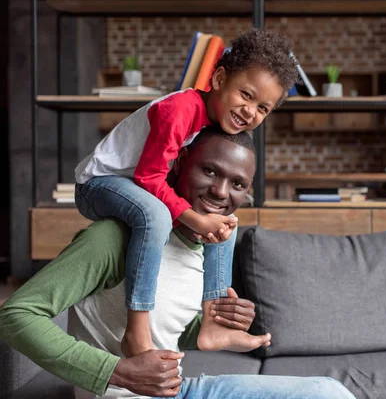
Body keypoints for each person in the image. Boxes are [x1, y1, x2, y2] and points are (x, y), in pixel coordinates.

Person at [0, 128, 356, 399]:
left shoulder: (206, 246)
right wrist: (118, 372)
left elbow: (162, 329)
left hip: (179, 392)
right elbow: (16, 315)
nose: (221, 192)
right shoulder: (112, 238)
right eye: (211, 171)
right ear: (182, 162)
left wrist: (210, 328)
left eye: (237, 184)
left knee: (330, 392)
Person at [73, 28, 299, 358]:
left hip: (135, 186)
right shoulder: (179, 111)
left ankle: (213, 321)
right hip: (98, 184)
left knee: (225, 220)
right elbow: (149, 178)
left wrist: (211, 223)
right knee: (154, 215)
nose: (251, 112)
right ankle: (137, 330)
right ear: (220, 79)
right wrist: (193, 218)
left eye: (263, 108)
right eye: (246, 95)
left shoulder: (214, 124)